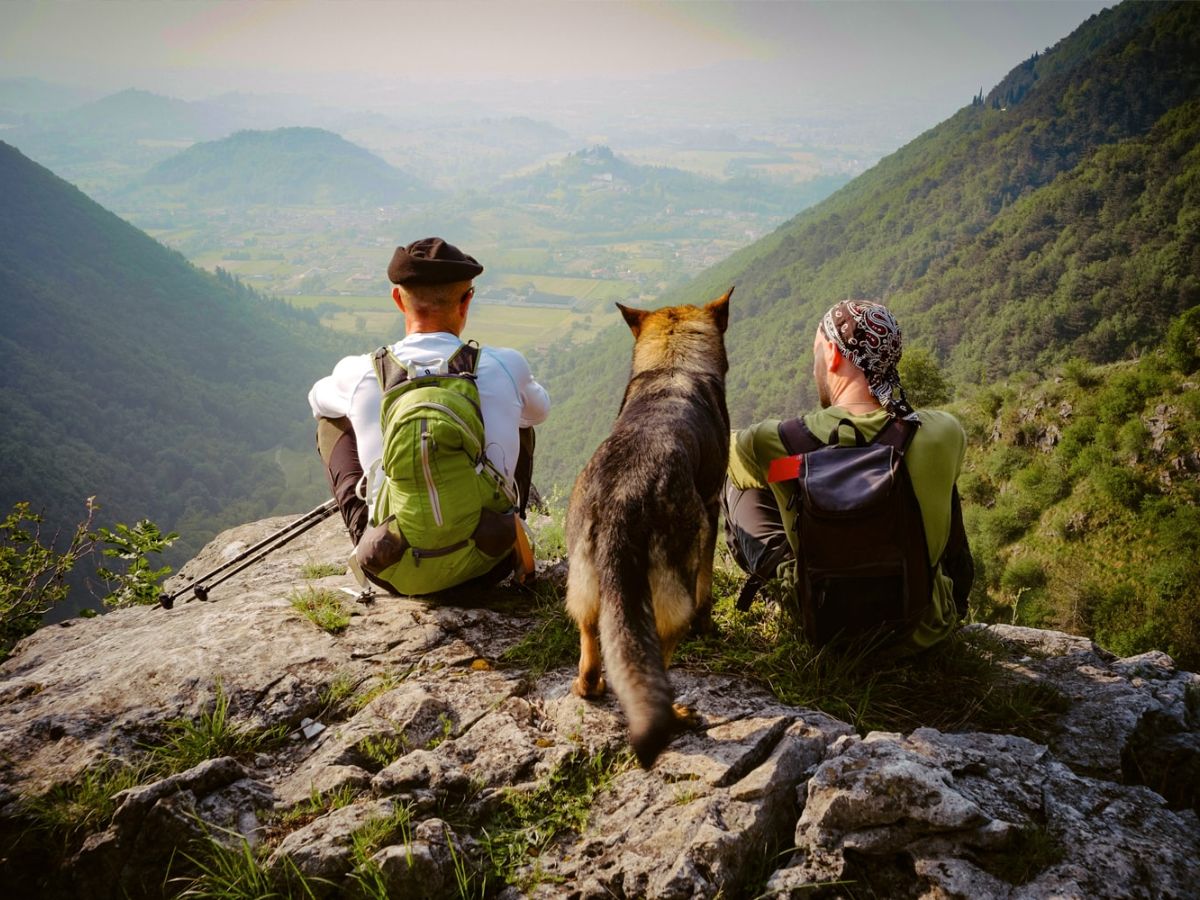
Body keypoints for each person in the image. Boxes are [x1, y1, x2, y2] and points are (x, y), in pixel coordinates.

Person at [722, 299, 973, 653]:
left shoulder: (773, 442)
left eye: (815, 356)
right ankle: (954, 601)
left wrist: (795, 469)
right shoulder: (943, 434)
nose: (814, 371)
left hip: (822, 631)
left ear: (832, 355)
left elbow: (718, 450)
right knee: (934, 481)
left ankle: (782, 593)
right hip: (919, 633)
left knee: (738, 482)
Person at [308, 237, 550, 594]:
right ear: (466, 301)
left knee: (331, 423)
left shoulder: (361, 372)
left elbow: (317, 400)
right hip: (490, 563)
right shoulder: (504, 364)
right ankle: (510, 524)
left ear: (397, 300)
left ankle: (371, 534)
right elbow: (539, 411)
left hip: (392, 570)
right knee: (522, 419)